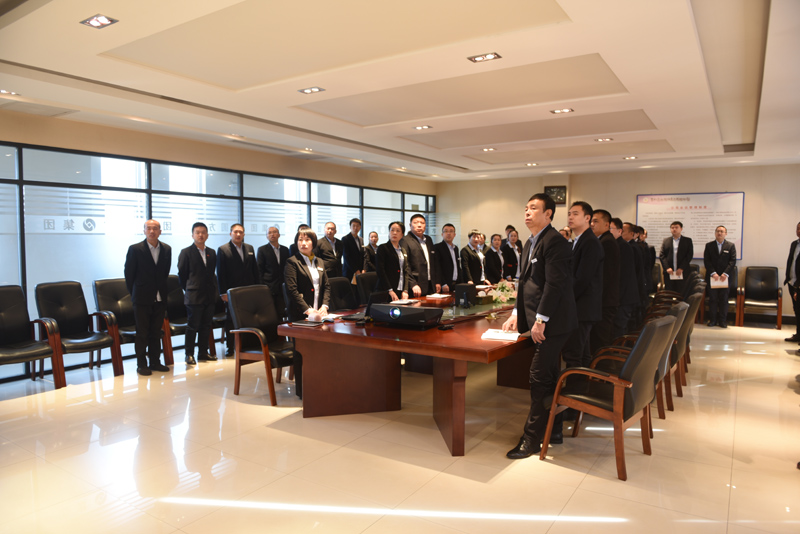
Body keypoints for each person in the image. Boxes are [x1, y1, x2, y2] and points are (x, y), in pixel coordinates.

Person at [502, 193, 576, 458]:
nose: (527, 212)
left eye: (533, 208)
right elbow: (525, 283)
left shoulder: (555, 241)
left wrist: (540, 320)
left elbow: (554, 285)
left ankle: (531, 439)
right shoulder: (531, 241)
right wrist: (515, 313)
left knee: (538, 377)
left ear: (548, 214)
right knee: (549, 376)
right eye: (526, 208)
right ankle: (553, 430)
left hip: (553, 322)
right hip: (542, 320)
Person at [284, 228, 329, 399]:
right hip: (300, 316)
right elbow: (292, 290)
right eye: (300, 240)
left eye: (307, 240)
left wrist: (325, 305)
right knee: (302, 352)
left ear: (313, 242)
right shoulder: (292, 262)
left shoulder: (319, 261)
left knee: (320, 351)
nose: (303, 243)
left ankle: (319, 385)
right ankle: (302, 391)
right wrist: (307, 309)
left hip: (319, 314)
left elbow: (326, 286)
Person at [124, 219, 172, 376]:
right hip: (141, 298)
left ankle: (155, 361)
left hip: (160, 297)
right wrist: (136, 293)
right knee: (142, 332)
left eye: (155, 228)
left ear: (160, 231)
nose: (152, 231)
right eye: (149, 228)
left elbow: (164, 273)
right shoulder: (135, 249)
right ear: (144, 231)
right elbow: (129, 275)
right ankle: (141, 364)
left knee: (156, 331)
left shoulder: (166, 249)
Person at [177, 222, 218, 365]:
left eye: (203, 232)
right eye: (197, 232)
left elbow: (212, 274)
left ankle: (203, 352)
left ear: (207, 235)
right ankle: (189, 354)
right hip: (194, 295)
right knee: (192, 326)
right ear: (192, 235)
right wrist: (189, 288)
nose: (200, 235)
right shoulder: (186, 252)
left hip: (209, 294)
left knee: (206, 325)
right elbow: (182, 275)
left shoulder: (212, 252)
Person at [217, 223, 260, 356]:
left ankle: (248, 345)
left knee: (248, 318)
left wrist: (257, 289)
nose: (238, 234)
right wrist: (223, 293)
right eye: (235, 232)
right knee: (231, 320)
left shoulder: (249, 248)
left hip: (248, 290)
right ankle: (230, 347)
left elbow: (255, 270)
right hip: (232, 291)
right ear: (230, 234)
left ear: (244, 234)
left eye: (241, 232)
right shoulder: (223, 249)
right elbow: (221, 273)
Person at [589, 209, 620, 354]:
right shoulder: (602, 240)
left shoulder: (607, 242)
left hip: (604, 300)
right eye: (591, 221)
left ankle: (602, 366)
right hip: (604, 299)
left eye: (596, 221)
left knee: (601, 339)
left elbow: (606, 275)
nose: (592, 224)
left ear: (607, 224)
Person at [611, 218, 639, 337]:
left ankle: (620, 349)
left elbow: (624, 275)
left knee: (619, 328)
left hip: (623, 297)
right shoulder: (615, 245)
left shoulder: (623, 247)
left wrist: (617, 299)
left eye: (610, 228)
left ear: (619, 231)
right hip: (620, 297)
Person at [704, 225, 737, 328]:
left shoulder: (730, 246)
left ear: (725, 234)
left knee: (724, 299)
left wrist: (725, 273)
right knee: (713, 299)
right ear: (715, 233)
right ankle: (712, 320)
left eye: (722, 231)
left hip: (724, 278)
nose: (719, 233)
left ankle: (722, 321)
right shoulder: (709, 245)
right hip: (712, 277)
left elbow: (732, 261)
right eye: (718, 231)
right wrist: (713, 273)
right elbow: (707, 261)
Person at [375, 221, 416, 301]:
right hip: (386, 290)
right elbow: (380, 271)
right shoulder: (382, 248)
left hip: (400, 290)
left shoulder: (403, 250)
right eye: (392, 230)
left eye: (398, 231)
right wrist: (390, 290)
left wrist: (405, 290)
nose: (394, 233)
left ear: (402, 234)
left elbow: (405, 271)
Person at [257, 226, 289, 320]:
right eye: (269, 233)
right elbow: (259, 270)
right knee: (269, 313)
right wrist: (262, 287)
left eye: (274, 232)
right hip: (269, 286)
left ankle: (280, 329)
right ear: (267, 236)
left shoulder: (285, 250)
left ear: (279, 235)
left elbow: (287, 268)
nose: (272, 234)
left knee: (281, 312)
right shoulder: (262, 250)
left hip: (282, 286)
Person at [401, 213, 437, 296]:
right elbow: (405, 265)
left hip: (431, 284)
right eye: (416, 222)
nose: (419, 225)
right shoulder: (405, 241)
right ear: (410, 225)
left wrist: (437, 281)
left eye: (422, 223)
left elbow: (434, 262)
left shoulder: (428, 239)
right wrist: (413, 284)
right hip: (415, 285)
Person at [659, 221, 694, 292]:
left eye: (676, 227)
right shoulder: (666, 241)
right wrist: (667, 268)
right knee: (669, 292)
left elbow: (689, 255)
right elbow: (662, 255)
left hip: (682, 272)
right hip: (669, 272)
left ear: (681, 229)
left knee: (681, 292)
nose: (674, 229)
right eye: (672, 228)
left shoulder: (687, 240)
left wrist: (681, 268)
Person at [433, 223, 461, 293]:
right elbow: (437, 267)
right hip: (445, 285)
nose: (448, 233)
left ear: (454, 234)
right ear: (442, 234)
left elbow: (457, 266)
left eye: (451, 231)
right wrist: (443, 283)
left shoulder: (456, 248)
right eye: (446, 231)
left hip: (456, 284)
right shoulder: (437, 247)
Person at [785, 222, 800, 345]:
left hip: (798, 284)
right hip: (791, 281)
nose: (799, 231)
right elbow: (791, 261)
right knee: (796, 310)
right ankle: (798, 334)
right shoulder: (794, 244)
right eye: (798, 228)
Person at [341, 217, 364, 283]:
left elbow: (362, 255)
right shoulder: (345, 239)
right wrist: (356, 270)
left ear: (360, 227)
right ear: (350, 227)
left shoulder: (361, 239)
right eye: (353, 226)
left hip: (360, 271)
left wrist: (363, 269)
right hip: (349, 271)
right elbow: (346, 257)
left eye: (357, 226)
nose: (355, 228)